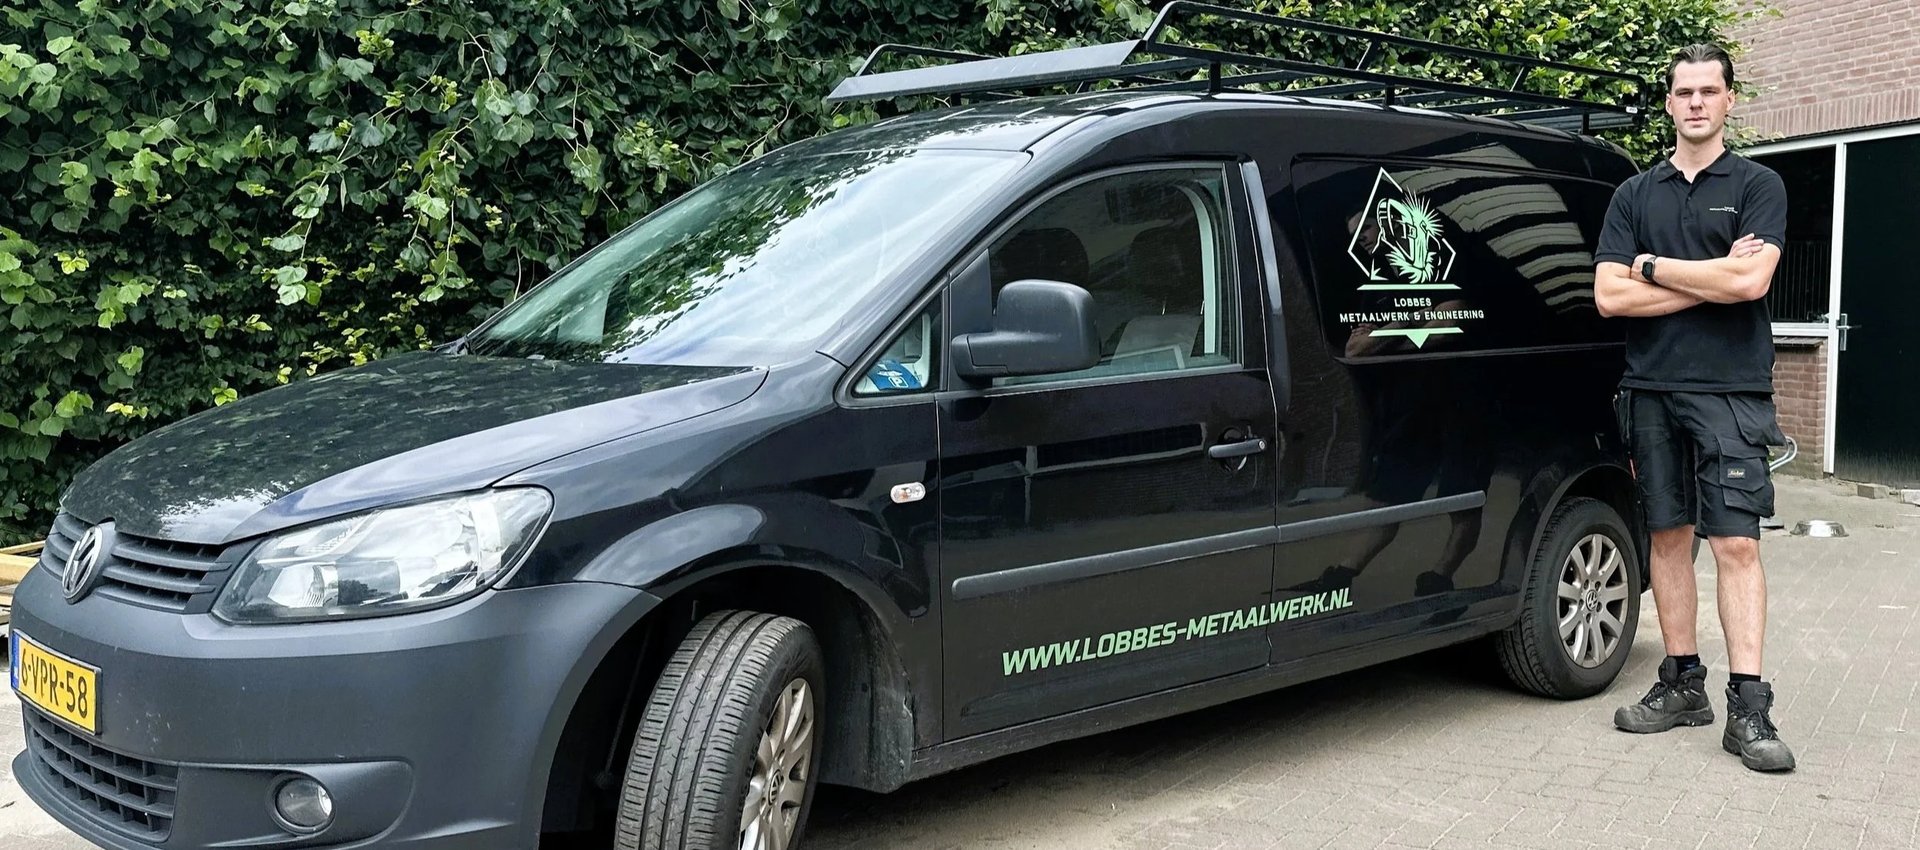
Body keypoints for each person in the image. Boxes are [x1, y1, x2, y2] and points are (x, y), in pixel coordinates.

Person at [1593, 44, 1794, 772]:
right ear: (1670, 103)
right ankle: (1682, 684)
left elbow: (1752, 285)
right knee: (1668, 539)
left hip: (1731, 394)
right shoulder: (1633, 195)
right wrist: (1712, 277)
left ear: (1730, 101)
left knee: (1736, 544)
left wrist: (1650, 266)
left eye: (1710, 91)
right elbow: (1609, 296)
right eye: (1685, 92)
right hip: (1650, 389)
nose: (1697, 103)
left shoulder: (1759, 185)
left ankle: (1749, 707)